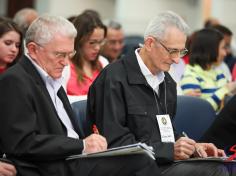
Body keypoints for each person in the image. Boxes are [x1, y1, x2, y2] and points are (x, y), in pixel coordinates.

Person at [0, 14, 161, 176]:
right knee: (140, 162)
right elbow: (23, 143)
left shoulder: (51, 76)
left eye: (69, 54)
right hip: (51, 165)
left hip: (73, 159)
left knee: (139, 156)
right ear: (33, 50)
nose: (65, 62)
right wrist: (81, 145)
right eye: (59, 54)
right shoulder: (15, 80)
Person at [87, 11, 232, 176]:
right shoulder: (114, 78)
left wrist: (190, 147)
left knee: (222, 166)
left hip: (160, 162)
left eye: (181, 52)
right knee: (214, 171)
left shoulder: (167, 81)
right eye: (172, 51)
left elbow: (164, 129)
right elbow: (114, 141)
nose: (177, 60)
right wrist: (169, 150)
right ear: (149, 43)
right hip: (130, 167)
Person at [180, 28, 236, 112]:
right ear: (209, 49)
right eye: (223, 48)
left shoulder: (218, 73)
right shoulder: (190, 76)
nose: (225, 53)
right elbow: (202, 111)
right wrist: (226, 89)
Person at [63, 12, 108, 97]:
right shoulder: (64, 64)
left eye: (100, 42)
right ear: (79, 40)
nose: (97, 48)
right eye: (92, 42)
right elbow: (59, 101)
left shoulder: (103, 62)